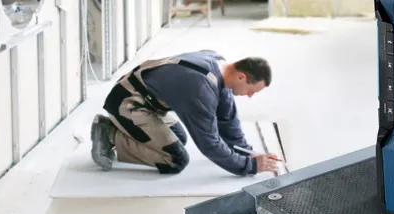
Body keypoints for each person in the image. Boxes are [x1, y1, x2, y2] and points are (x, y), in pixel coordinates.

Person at [89, 51, 280, 176]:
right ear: (242, 76)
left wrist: (248, 153)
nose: (249, 96)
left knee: (179, 139)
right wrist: (249, 167)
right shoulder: (200, 88)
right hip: (128, 102)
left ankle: (123, 129)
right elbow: (209, 143)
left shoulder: (219, 66)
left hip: (148, 100)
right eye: (251, 90)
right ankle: (110, 133)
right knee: (175, 159)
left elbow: (227, 121)